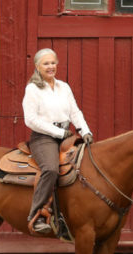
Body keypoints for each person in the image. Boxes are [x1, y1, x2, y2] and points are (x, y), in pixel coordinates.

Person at [22, 48, 93, 234]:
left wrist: (85, 131)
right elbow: (30, 120)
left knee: (85, 164)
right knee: (51, 169)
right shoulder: (32, 89)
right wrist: (58, 133)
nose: (51, 66)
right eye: (46, 63)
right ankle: (36, 214)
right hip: (44, 137)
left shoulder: (64, 87)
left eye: (53, 63)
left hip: (67, 135)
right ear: (37, 66)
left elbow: (75, 112)